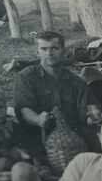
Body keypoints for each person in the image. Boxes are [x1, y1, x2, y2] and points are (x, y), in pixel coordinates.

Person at [13, 31, 94, 167]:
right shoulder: (26, 77)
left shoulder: (75, 81)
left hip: (72, 136)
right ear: (37, 52)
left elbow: (85, 111)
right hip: (38, 135)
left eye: (54, 48)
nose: (49, 54)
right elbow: (24, 108)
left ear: (63, 51)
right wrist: (38, 119)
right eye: (44, 49)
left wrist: (93, 115)